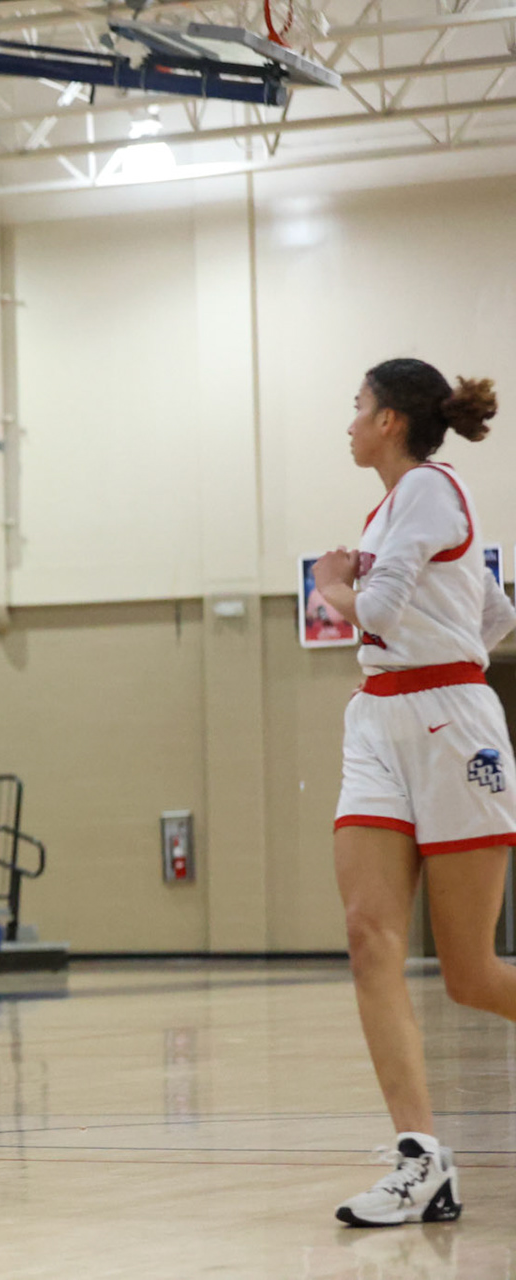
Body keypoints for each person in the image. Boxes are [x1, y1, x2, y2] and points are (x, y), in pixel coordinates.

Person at [311, 360, 509, 1228]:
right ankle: (420, 1159)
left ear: (390, 419)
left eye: (357, 408)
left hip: (450, 723)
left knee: (468, 974)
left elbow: (380, 612)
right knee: (367, 937)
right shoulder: (393, 509)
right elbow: (495, 613)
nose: (348, 422)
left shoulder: (430, 489)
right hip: (376, 720)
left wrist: (328, 584)